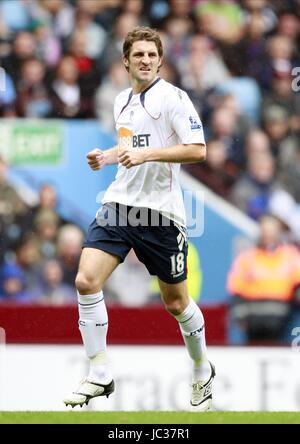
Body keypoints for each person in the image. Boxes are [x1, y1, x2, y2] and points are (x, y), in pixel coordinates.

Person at [63, 26, 215, 410]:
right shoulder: (121, 102)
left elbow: (198, 150)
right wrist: (108, 156)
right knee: (85, 279)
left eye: (152, 55)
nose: (145, 60)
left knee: (176, 304)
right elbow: (133, 145)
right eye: (139, 55)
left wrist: (146, 157)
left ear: (160, 60)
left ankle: (201, 368)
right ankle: (99, 372)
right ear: (125, 61)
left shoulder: (173, 99)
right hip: (119, 204)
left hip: (161, 214)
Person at [227, 214, 300, 344]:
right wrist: (240, 314)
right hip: (253, 318)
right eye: (265, 231)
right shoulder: (247, 257)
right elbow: (236, 288)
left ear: (278, 233)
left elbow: (297, 282)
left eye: (272, 231)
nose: (268, 235)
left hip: (284, 319)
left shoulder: (290, 255)